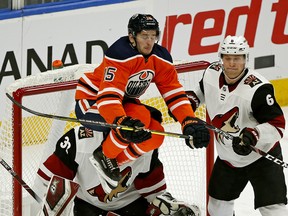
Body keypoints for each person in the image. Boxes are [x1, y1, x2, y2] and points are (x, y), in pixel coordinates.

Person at [74, 13, 210, 187]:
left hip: (122, 103)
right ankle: (105, 155)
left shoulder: (160, 57)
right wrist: (121, 122)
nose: (149, 42)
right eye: (144, 36)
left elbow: (173, 92)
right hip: (92, 101)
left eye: (153, 36)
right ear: (132, 36)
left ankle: (113, 163)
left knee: (155, 135)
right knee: (141, 116)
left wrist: (188, 119)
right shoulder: (120, 53)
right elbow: (108, 97)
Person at [186, 35, 288, 215]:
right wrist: (189, 103)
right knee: (216, 208)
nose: (232, 63)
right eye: (227, 58)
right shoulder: (211, 72)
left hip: (262, 157)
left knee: (274, 211)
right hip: (228, 158)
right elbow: (201, 91)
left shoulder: (259, 89)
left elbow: (278, 125)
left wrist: (253, 135)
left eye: (237, 58)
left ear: (245, 59)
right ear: (221, 58)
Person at [35, 125, 201, 216]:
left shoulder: (146, 146)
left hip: (132, 205)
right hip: (88, 207)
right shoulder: (80, 140)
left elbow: (154, 192)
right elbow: (47, 180)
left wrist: (165, 205)